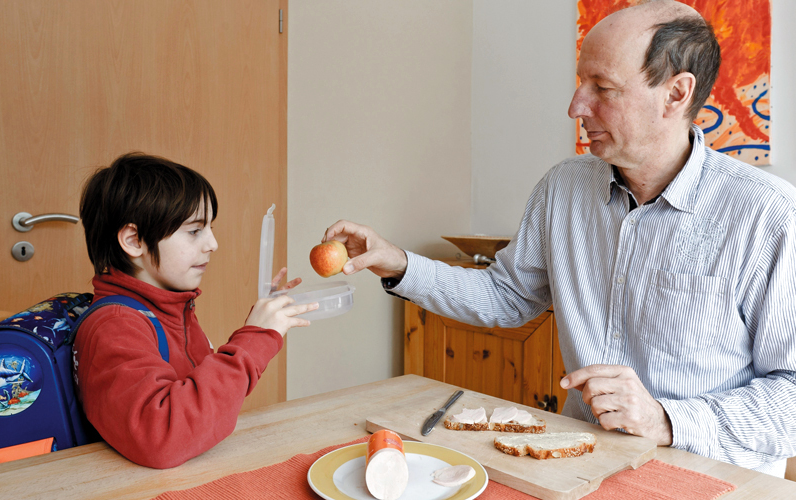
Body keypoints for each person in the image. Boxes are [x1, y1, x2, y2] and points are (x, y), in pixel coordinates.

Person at [323, 0, 796, 476]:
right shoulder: (563, 187)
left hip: (713, 478)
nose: (576, 107)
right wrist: (400, 264)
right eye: (580, 83)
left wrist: (665, 420)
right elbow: (507, 297)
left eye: (603, 88)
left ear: (676, 94)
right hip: (580, 466)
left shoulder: (770, 214)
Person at [74, 152, 316, 468]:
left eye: (210, 228)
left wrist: (257, 329)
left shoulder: (169, 307)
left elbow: (205, 403)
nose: (212, 243)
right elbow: (162, 439)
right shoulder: (116, 326)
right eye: (194, 231)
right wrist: (254, 341)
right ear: (134, 241)